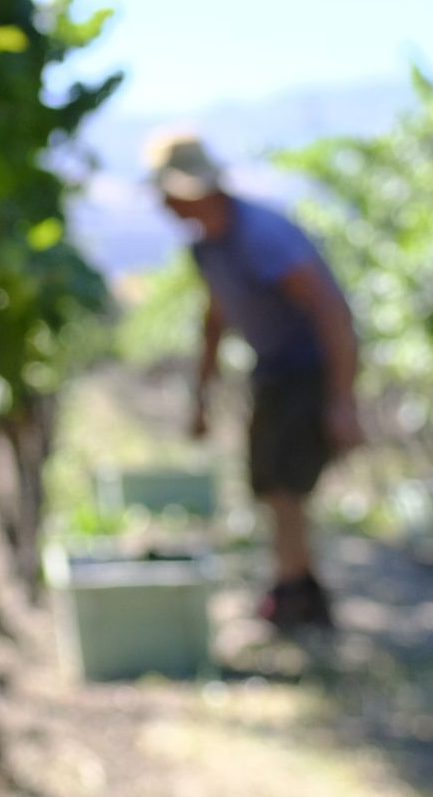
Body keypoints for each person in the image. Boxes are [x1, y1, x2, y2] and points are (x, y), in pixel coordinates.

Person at [146, 131, 363, 629]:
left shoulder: (261, 237)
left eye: (167, 193)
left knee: (286, 483)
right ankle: (299, 587)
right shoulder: (209, 248)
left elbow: (331, 312)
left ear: (193, 193)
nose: (161, 204)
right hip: (273, 372)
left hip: (306, 369)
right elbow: (215, 319)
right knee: (270, 483)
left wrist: (342, 400)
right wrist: (201, 394)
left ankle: (296, 592)